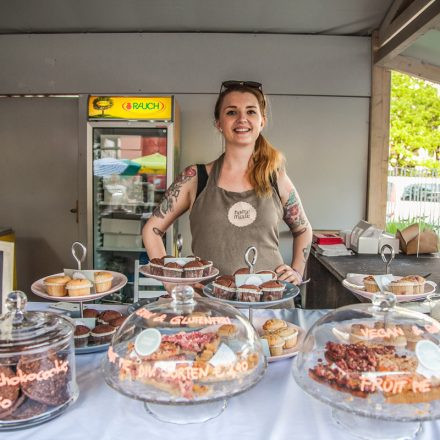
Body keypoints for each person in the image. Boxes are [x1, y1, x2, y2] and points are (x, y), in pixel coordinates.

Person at [142, 80, 313, 285]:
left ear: (262, 121)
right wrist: (173, 283)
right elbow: (151, 230)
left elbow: (303, 229)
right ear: (219, 123)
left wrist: (297, 271)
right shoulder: (195, 177)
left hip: (267, 303)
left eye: (251, 112)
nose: (242, 119)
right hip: (209, 307)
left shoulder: (275, 177)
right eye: (232, 112)